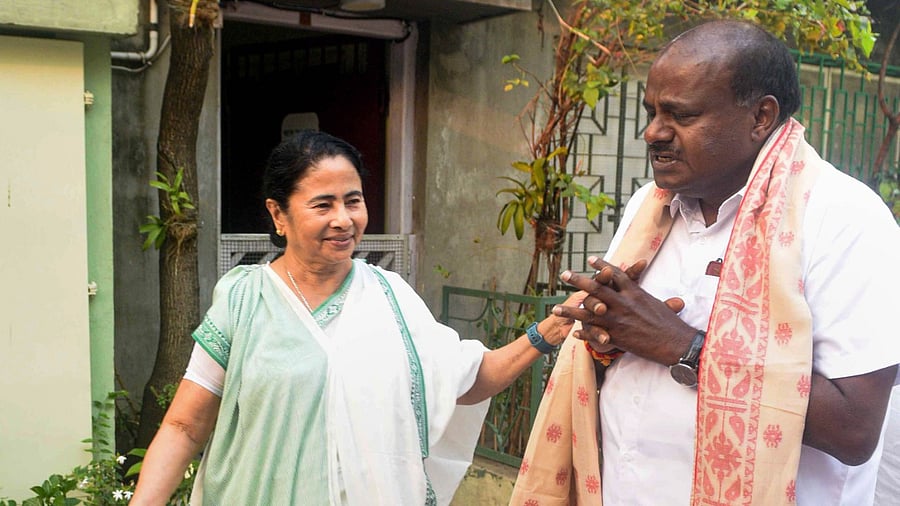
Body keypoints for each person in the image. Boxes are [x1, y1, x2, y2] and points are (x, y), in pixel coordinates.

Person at [510, 20, 900, 506]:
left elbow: (854, 430)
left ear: (760, 117)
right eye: (652, 112)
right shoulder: (649, 207)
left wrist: (681, 346)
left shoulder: (843, 218)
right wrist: (607, 336)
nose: (653, 133)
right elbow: (628, 350)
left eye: (681, 114)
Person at [130, 130, 585, 505]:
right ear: (278, 214)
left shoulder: (389, 297)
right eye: (323, 205)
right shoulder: (244, 300)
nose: (344, 220)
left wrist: (552, 329)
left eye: (353, 201)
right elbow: (184, 426)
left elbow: (468, 380)